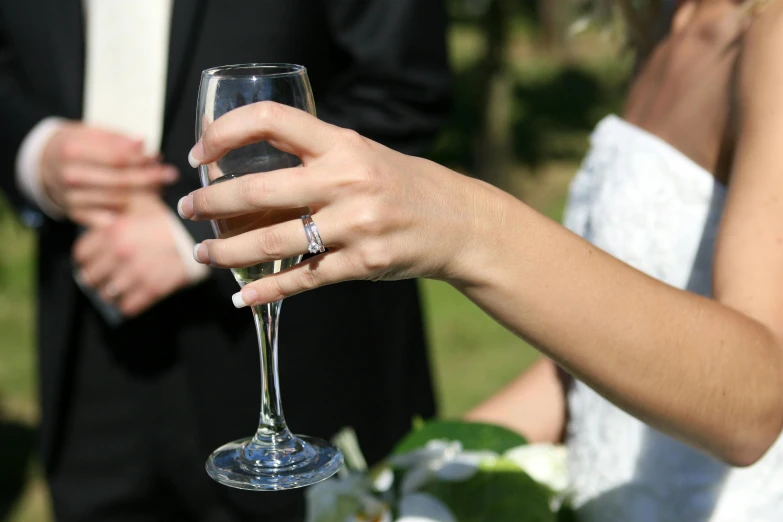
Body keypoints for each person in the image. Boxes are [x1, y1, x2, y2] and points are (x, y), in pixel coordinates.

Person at [179, 0, 783, 519]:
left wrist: (464, 227)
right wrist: (398, 481)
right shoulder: (664, 24)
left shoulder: (770, 32)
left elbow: (756, 401)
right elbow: (601, 366)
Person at [0, 1, 450, 520]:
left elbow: (402, 89)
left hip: (306, 347)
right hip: (88, 342)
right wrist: (31, 150)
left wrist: (196, 226)